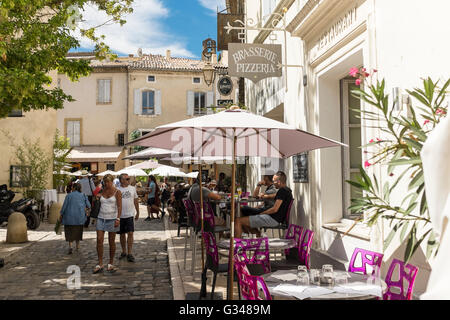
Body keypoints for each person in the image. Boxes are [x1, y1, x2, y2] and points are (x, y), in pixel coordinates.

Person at [234, 171, 293, 238]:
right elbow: (275, 196)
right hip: (274, 218)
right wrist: (267, 196)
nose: (273, 183)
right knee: (244, 218)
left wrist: (262, 213)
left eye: (274, 181)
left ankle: (237, 246)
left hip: (272, 219)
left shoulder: (282, 191)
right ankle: (257, 235)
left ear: (279, 182)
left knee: (238, 221)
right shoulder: (287, 190)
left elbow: (274, 209)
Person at [93, 174, 122, 274]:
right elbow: (95, 194)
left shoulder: (117, 192)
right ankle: (100, 263)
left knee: (111, 241)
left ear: (112, 181)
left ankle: (111, 262)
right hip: (101, 218)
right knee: (99, 239)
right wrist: (98, 194)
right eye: (105, 182)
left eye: (108, 182)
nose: (106, 184)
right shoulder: (102, 190)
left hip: (112, 218)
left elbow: (119, 206)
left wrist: (118, 218)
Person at [59, 183, 91, 254]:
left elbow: (64, 206)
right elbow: (89, 205)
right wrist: (86, 210)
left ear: (73, 188)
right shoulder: (83, 195)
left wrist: (61, 214)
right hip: (79, 217)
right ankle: (77, 246)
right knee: (78, 231)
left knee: (69, 231)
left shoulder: (68, 196)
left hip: (69, 217)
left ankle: (70, 246)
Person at [117, 173, 139, 263]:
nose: (129, 180)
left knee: (130, 233)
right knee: (122, 234)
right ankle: (124, 251)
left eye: (129, 179)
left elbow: (136, 200)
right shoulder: (117, 190)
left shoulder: (132, 188)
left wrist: (138, 212)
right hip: (120, 215)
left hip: (130, 214)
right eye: (127, 179)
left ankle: (130, 253)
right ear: (121, 180)